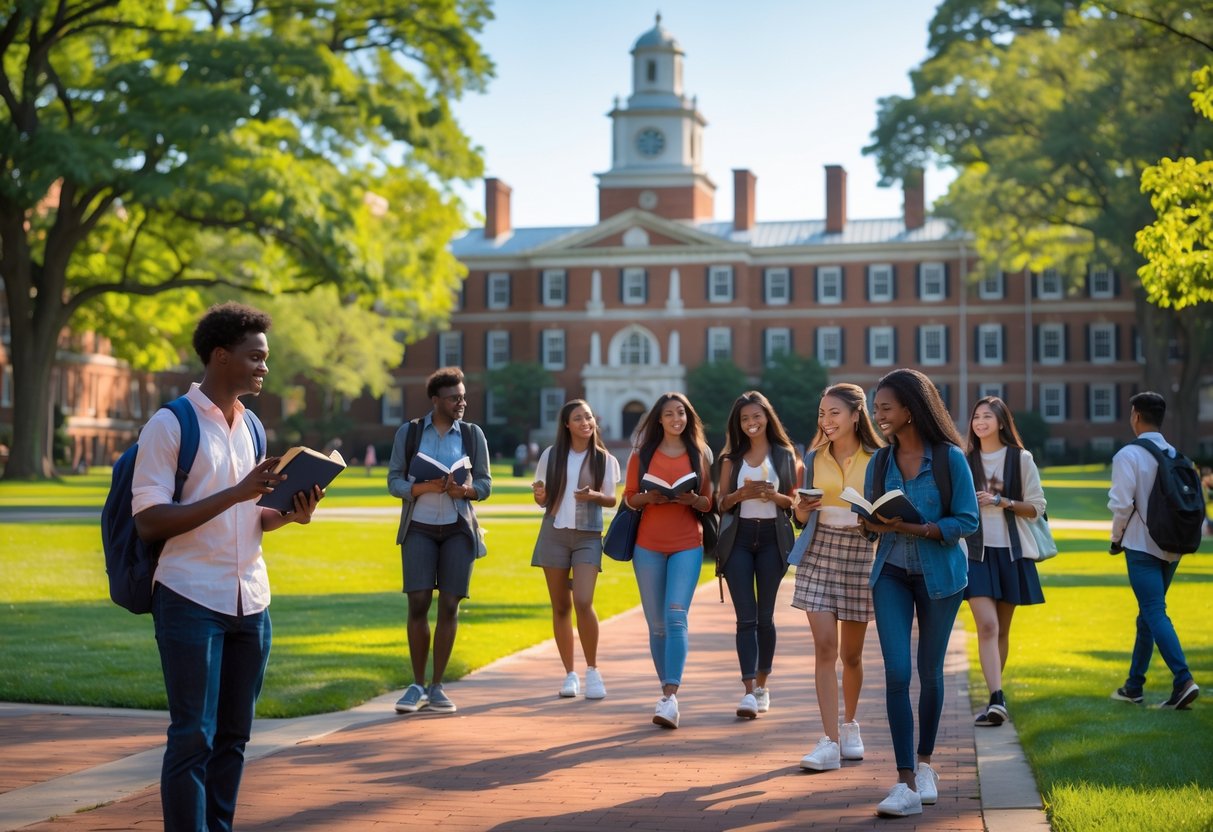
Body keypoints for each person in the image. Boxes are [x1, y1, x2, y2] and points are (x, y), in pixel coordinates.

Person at [131, 301, 323, 832]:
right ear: (220, 356)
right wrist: (237, 492)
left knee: (235, 737)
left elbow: (250, 516)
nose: (265, 367)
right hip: (190, 596)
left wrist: (287, 514)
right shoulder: (171, 424)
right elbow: (150, 520)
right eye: (256, 357)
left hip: (251, 600)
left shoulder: (254, 427)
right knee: (193, 735)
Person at [863, 368, 979, 818]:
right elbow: (874, 527)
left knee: (929, 672)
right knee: (896, 673)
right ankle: (905, 781)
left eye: (886, 408)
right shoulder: (880, 462)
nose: (879, 416)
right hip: (890, 572)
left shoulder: (949, 458)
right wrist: (870, 522)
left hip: (941, 578)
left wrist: (919, 527)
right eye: (876, 409)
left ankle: (927, 764)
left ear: (911, 410)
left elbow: (967, 521)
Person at [791, 383, 885, 771]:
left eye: (833, 413)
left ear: (855, 415)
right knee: (825, 648)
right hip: (819, 552)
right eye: (821, 413)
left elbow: (884, 514)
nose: (825, 421)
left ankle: (849, 726)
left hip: (861, 552)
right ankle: (829, 740)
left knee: (851, 655)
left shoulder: (880, 458)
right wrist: (800, 508)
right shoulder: (813, 457)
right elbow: (801, 518)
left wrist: (873, 519)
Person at [388, 367, 492, 715]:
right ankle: (416, 684)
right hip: (418, 527)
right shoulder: (411, 432)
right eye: (454, 398)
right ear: (436, 400)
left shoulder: (473, 435)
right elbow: (393, 480)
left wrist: (465, 489)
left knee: (449, 605)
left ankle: (436, 686)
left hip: (458, 530)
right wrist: (419, 488)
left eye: (463, 397)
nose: (461, 403)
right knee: (418, 603)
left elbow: (486, 484)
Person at [623, 392, 714, 729]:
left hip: (687, 544)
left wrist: (695, 499)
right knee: (657, 625)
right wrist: (647, 497)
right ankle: (666, 695)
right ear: (658, 420)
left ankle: (671, 695)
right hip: (648, 546)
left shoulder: (699, 453)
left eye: (682, 413)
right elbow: (629, 498)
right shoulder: (642, 454)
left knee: (676, 617)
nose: (677, 419)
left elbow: (709, 502)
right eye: (669, 414)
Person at [1108, 391, 1200, 710]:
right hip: (1173, 547)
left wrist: (1116, 538)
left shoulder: (1128, 455)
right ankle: (1134, 686)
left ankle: (1183, 679)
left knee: (1153, 610)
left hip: (1141, 545)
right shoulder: (1177, 454)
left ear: (1135, 415)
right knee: (1147, 614)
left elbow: (1121, 505)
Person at [715, 391, 801, 720]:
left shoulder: (783, 454)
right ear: (738, 424)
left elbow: (794, 504)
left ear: (767, 417)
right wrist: (741, 494)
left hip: (771, 540)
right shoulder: (730, 459)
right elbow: (722, 503)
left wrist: (772, 494)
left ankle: (763, 686)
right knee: (745, 618)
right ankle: (748, 691)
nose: (751, 423)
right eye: (745, 419)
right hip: (738, 539)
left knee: (765, 617)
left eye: (756, 417)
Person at [963, 396, 1047, 727]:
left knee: (1001, 630)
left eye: (987, 416)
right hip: (976, 553)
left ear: (1001, 422)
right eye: (976, 417)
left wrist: (1002, 501)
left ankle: (994, 699)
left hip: (1011, 552)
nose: (980, 422)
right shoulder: (964, 460)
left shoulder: (1020, 458)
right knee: (987, 625)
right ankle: (998, 697)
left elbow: (1036, 507)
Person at [530, 399, 621, 699]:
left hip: (588, 537)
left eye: (589, 417)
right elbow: (542, 499)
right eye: (579, 418)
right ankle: (570, 674)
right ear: (567, 425)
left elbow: (612, 500)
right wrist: (540, 495)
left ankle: (593, 671)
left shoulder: (605, 460)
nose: (586, 422)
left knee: (583, 600)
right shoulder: (551, 455)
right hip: (554, 534)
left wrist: (595, 495)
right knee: (560, 606)